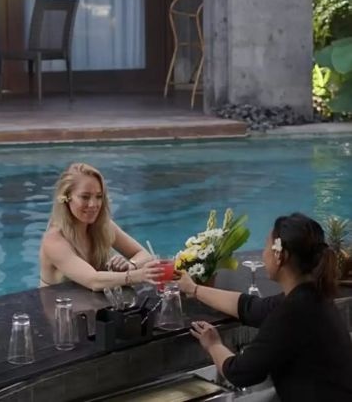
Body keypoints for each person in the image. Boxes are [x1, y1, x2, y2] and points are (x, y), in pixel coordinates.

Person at [177, 213, 352, 400]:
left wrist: (213, 344)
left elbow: (240, 373)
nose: (263, 254)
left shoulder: (291, 314)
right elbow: (250, 307)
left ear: (280, 256)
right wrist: (194, 289)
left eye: (266, 246)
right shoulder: (312, 296)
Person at [39, 162, 163, 291]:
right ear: (66, 198)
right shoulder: (54, 240)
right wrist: (137, 275)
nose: (93, 204)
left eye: (98, 196)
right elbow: (93, 281)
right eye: (85, 197)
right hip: (59, 303)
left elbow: (144, 254)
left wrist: (130, 266)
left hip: (93, 302)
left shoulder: (103, 226)